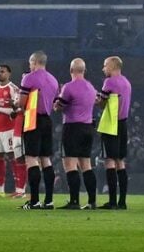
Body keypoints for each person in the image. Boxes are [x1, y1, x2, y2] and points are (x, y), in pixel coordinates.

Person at [54, 57, 99, 210]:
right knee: (86, 164)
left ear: (71, 70)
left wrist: (57, 99)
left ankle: (74, 201)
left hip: (72, 127)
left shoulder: (68, 87)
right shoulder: (91, 87)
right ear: (84, 71)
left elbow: (59, 106)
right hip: (88, 128)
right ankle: (92, 201)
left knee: (70, 164)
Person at [19, 51, 60, 209]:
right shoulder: (53, 80)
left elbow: (22, 103)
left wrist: (16, 102)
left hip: (32, 119)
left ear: (34, 62)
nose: (30, 66)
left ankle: (34, 200)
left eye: (31, 63)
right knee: (46, 159)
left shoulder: (29, 77)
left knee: (31, 159)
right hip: (47, 121)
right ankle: (49, 200)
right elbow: (54, 102)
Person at [97, 55, 133, 209]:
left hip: (112, 123)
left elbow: (102, 103)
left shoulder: (109, 82)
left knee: (109, 161)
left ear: (112, 66)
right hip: (123, 123)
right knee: (120, 161)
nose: (103, 68)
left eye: (105, 65)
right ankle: (122, 201)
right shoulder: (126, 82)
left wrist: (96, 99)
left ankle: (112, 201)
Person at [0, 65, 25, 199]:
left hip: (9, 129)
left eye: (2, 72)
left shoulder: (13, 89)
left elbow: (14, 112)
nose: (0, 74)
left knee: (14, 157)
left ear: (9, 74)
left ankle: (19, 188)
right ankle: (0, 188)